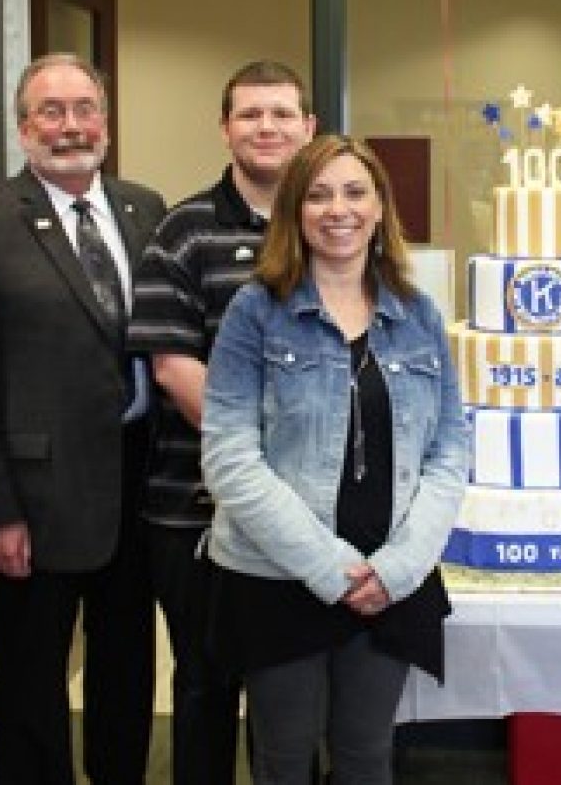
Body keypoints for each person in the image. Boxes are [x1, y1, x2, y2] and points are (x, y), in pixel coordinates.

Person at [201, 134, 469, 785]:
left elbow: (451, 447)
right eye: (317, 195)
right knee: (284, 758)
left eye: (354, 192)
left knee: (366, 755)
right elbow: (229, 454)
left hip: (388, 579)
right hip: (276, 577)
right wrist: (331, 568)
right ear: (294, 210)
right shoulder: (255, 310)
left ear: (379, 207)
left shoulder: (418, 313)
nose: (337, 209)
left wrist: (399, 567)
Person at [0, 53, 166, 785]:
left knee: (127, 676)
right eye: (52, 111)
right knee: (30, 691)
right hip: (35, 502)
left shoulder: (147, 209)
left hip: (140, 489)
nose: (71, 125)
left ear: (106, 121)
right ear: (23, 128)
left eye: (85, 108)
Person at [127, 59, 316, 785]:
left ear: (308, 126)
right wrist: (270, 461)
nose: (266, 127)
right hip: (195, 509)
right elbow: (175, 369)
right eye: (249, 115)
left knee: (295, 691)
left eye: (280, 113)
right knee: (206, 686)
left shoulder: (334, 217)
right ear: (225, 129)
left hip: (317, 513)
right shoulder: (183, 230)